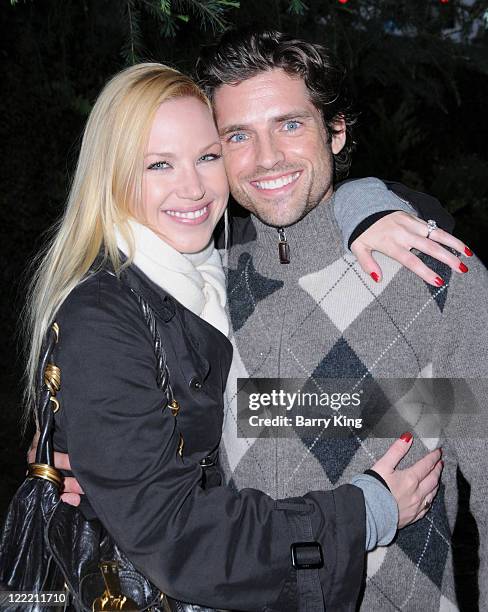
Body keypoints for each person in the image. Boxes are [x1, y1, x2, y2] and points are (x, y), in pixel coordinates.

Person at [18, 63, 443, 612]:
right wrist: (363, 513)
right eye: (158, 165)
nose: (192, 188)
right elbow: (174, 538)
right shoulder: (106, 314)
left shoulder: (226, 266)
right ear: (113, 175)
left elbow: (260, 409)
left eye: (208, 156)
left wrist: (364, 205)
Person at [189, 30, 487, 611]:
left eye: (291, 124)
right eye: (238, 135)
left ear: (337, 130)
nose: (267, 156)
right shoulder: (202, 289)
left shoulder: (437, 276)